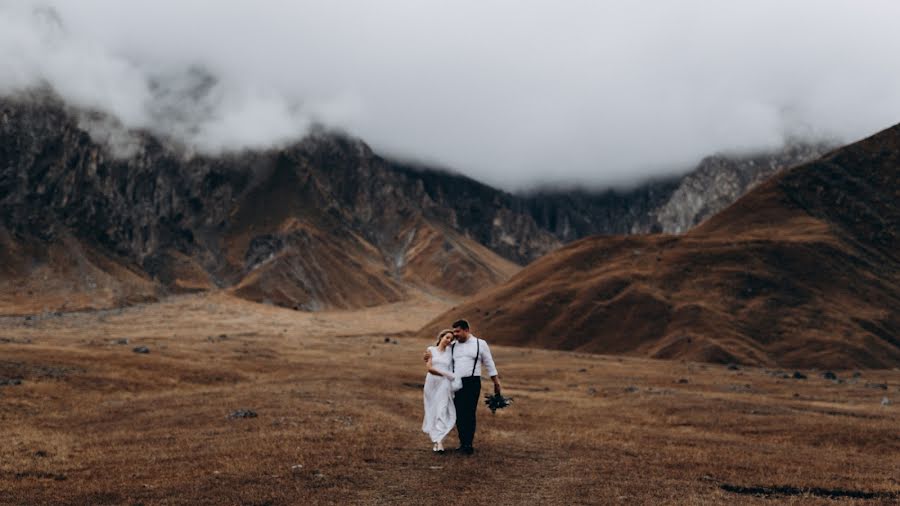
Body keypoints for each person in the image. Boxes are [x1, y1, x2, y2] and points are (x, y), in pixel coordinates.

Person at [424, 319, 501, 455]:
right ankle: (462, 443)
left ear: (466, 330)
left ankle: (468, 444)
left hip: (473, 382)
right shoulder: (453, 345)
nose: (455, 334)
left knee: (469, 412)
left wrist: (496, 382)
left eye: (458, 331)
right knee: (458, 413)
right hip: (456, 383)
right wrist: (428, 356)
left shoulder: (480, 344)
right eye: (454, 332)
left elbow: (489, 363)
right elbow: (439, 353)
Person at [422, 329, 459, 452]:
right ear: (441, 336)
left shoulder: (450, 351)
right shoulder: (430, 350)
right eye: (447, 337)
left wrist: (449, 377)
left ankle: (439, 442)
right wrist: (446, 373)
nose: (449, 341)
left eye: (451, 339)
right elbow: (429, 368)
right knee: (432, 410)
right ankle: (436, 439)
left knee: (441, 410)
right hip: (432, 383)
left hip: (444, 384)